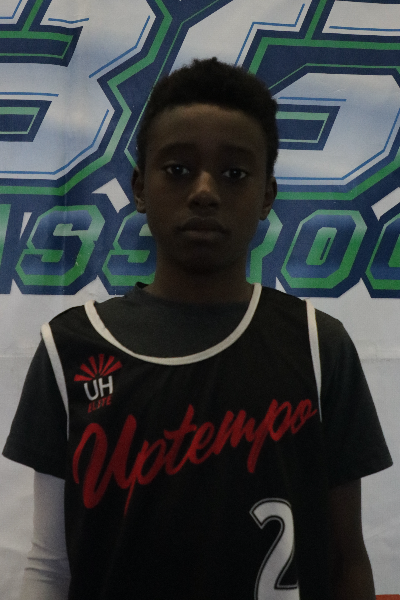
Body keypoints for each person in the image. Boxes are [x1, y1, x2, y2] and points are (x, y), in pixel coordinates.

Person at [3, 58, 392, 600]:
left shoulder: (318, 345)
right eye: (178, 169)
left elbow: (346, 558)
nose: (205, 191)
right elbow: (49, 567)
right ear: (140, 187)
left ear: (267, 196)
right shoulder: (70, 347)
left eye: (234, 174)